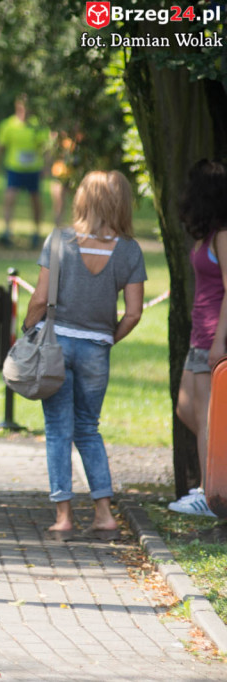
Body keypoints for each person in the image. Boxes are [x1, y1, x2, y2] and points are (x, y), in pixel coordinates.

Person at [21, 170, 146, 538]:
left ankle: (63, 516)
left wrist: (29, 332)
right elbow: (135, 312)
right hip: (97, 349)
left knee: (58, 431)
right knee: (88, 430)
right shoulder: (130, 250)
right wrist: (107, 339)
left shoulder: (59, 240)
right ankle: (104, 514)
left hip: (56, 344)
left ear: (83, 200)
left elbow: (41, 298)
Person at [169, 159, 227, 517]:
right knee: (187, 409)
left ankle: (211, 496)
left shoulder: (223, 236)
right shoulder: (209, 235)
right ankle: (213, 484)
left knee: (208, 417)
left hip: (212, 337)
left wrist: (219, 342)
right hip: (198, 334)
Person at [0, 95, 51, 248]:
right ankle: (7, 231)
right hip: (14, 169)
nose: (25, 111)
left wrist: (47, 166)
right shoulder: (8, 125)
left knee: (35, 201)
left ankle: (36, 232)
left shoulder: (38, 126)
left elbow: (46, 148)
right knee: (10, 198)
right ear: (17, 107)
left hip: (33, 170)